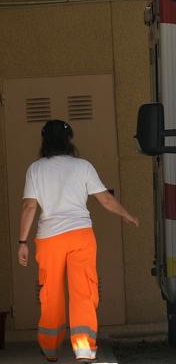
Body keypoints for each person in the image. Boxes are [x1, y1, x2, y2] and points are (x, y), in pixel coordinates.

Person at [17, 120, 139, 363]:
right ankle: (83, 348)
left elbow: (29, 206)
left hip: (49, 238)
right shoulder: (83, 166)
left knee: (51, 293)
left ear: (44, 141)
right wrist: (126, 214)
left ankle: (50, 348)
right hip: (80, 235)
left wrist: (22, 241)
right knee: (83, 291)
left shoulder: (36, 169)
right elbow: (104, 199)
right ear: (69, 139)